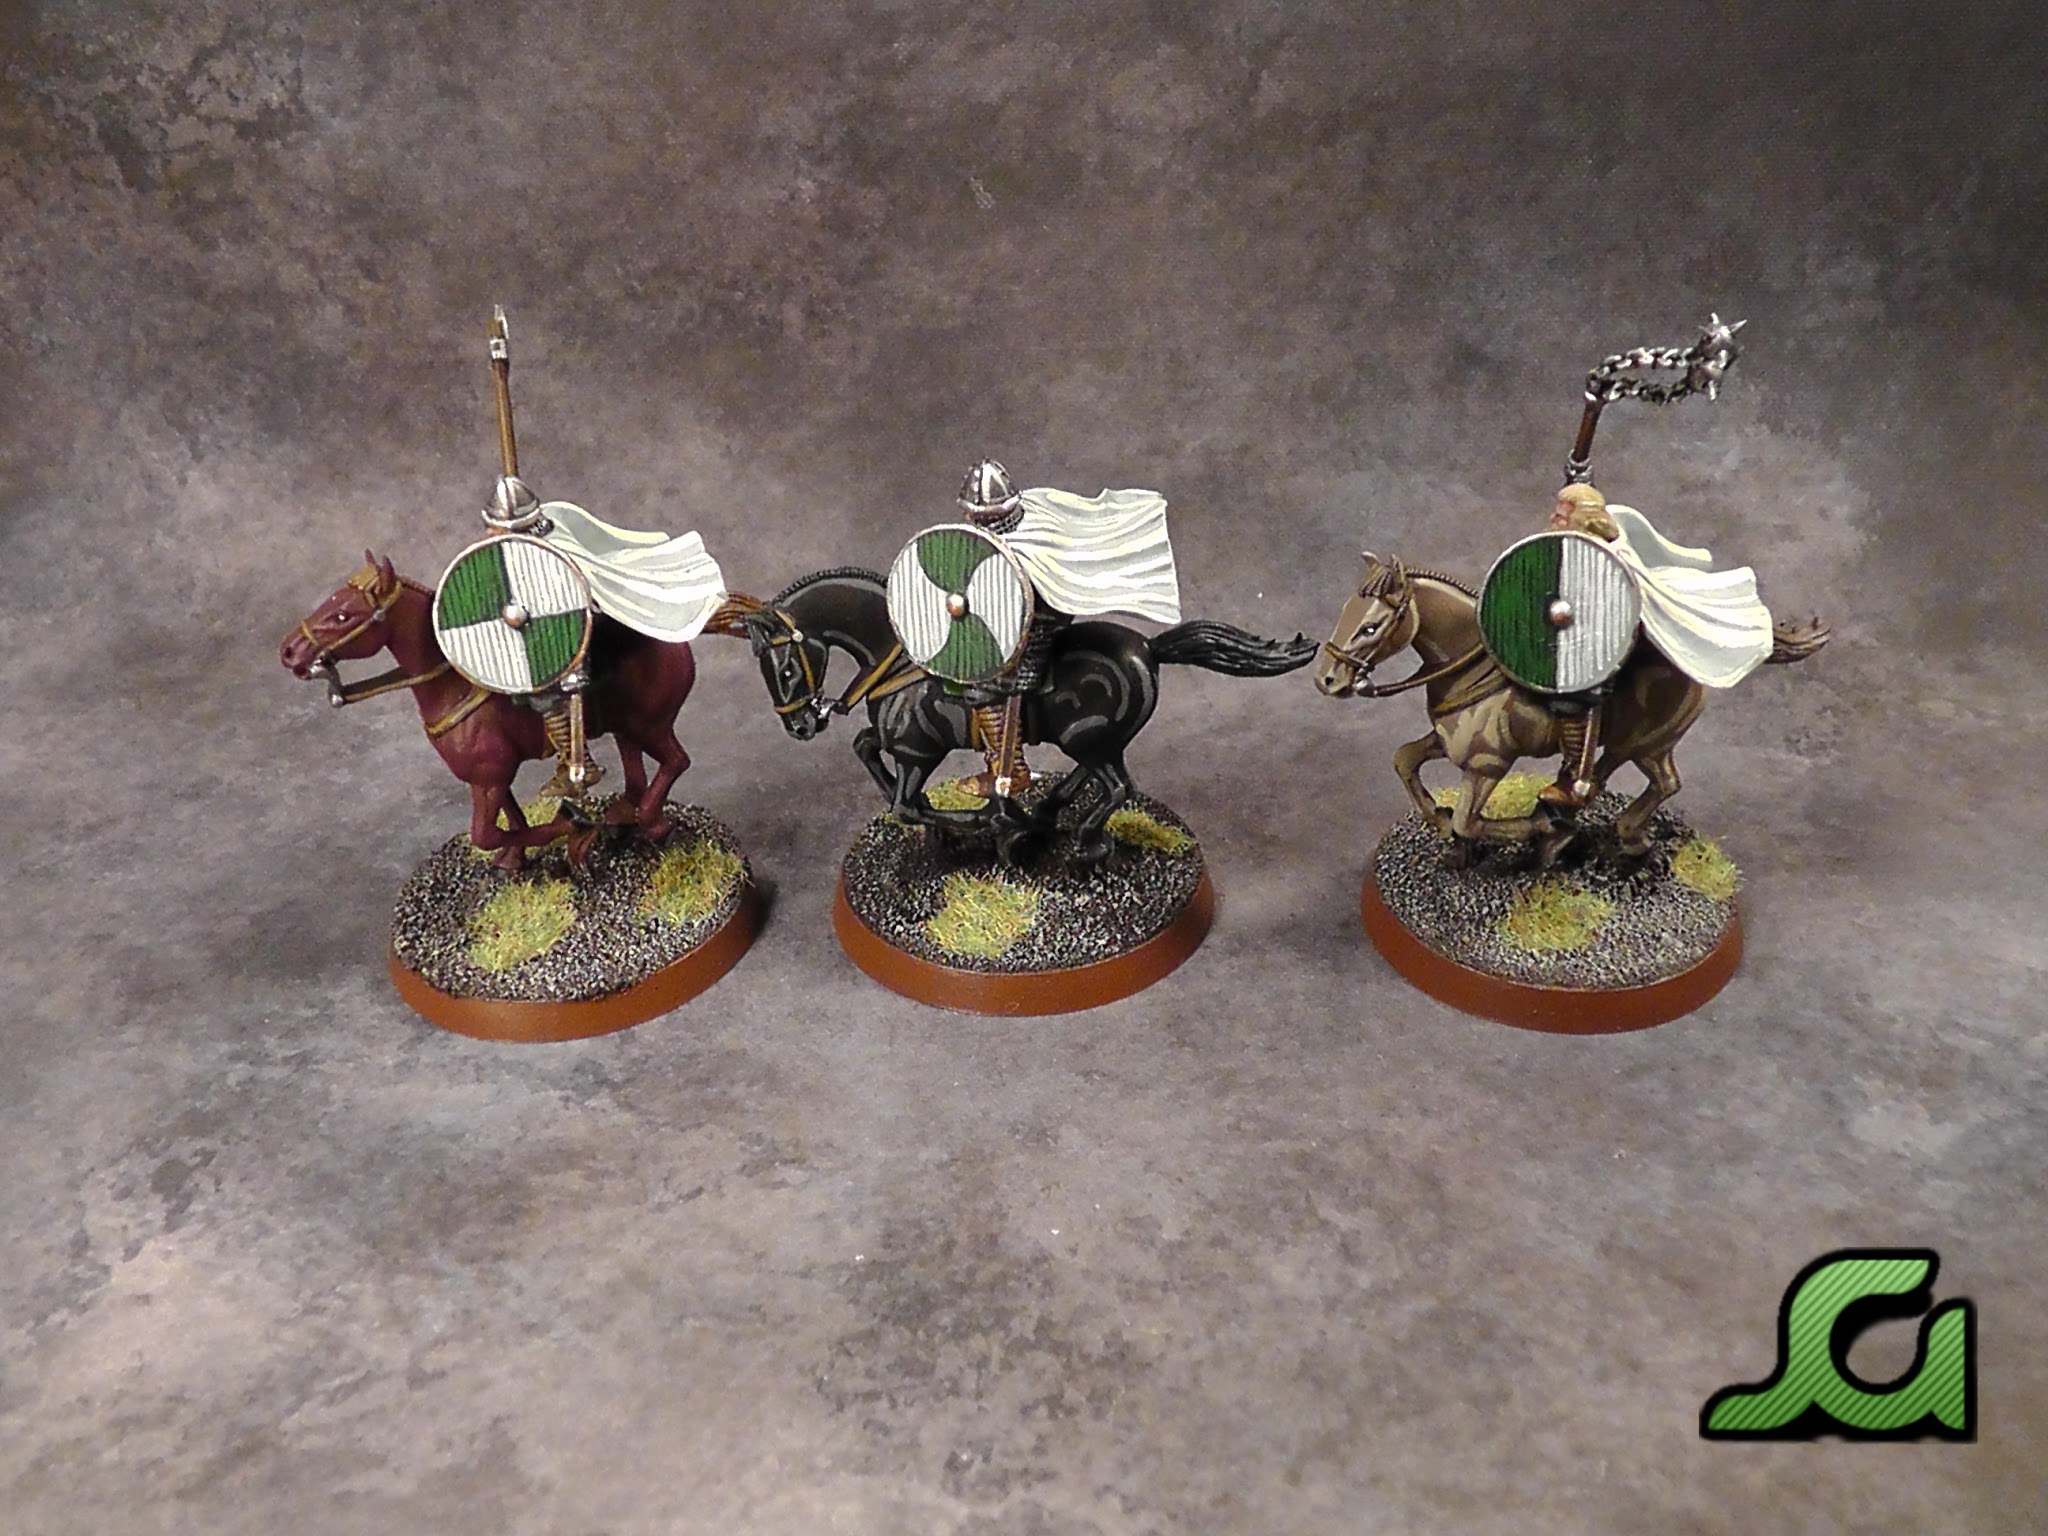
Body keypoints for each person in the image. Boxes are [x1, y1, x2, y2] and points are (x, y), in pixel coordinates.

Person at [478, 474, 726, 797]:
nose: (489, 533)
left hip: (571, 639)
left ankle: (576, 761)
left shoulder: (551, 550)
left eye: (496, 528)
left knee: (544, 694)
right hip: (536, 631)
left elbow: (568, 605)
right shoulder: (515, 549)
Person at [948, 459, 1181, 797]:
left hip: (1031, 632)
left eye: (976, 515)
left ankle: (1011, 769)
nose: (969, 519)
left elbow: (1027, 604)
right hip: (1001, 623)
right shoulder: (1000, 537)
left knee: (982, 689)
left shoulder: (1026, 545)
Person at [1535, 482, 1774, 806]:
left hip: (1608, 648)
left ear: (1583, 522)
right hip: (1570, 635)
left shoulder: (1608, 560)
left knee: (1576, 698)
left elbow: (1611, 615)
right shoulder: (1574, 546)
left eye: (1562, 517)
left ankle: (1576, 780)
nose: (1553, 519)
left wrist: (1583, 645)